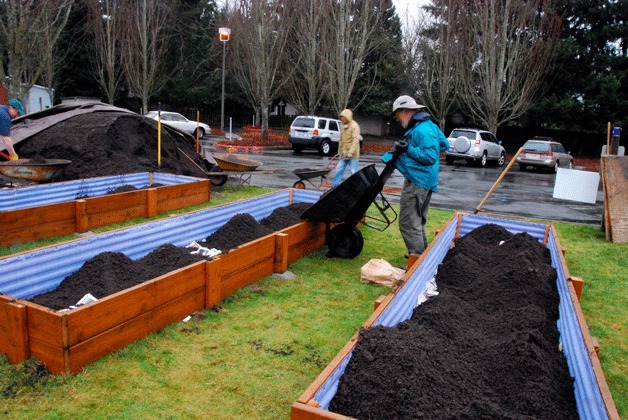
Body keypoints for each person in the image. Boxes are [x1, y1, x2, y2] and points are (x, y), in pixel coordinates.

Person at [382, 95, 449, 257]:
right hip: (427, 180)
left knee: (408, 222)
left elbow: (430, 156)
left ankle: (416, 256)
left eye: (397, 115)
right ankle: (420, 254)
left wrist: (409, 150)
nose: (397, 119)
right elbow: (444, 145)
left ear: (405, 112)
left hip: (418, 181)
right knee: (417, 220)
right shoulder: (429, 125)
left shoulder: (421, 129)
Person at [332, 109, 361, 187]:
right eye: (341, 117)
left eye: (343, 117)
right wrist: (339, 150)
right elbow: (341, 139)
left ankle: (356, 187)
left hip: (353, 155)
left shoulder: (355, 126)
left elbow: (355, 141)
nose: (341, 119)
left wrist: (351, 152)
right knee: (339, 169)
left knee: (354, 171)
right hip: (344, 154)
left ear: (347, 117)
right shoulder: (342, 125)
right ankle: (335, 186)